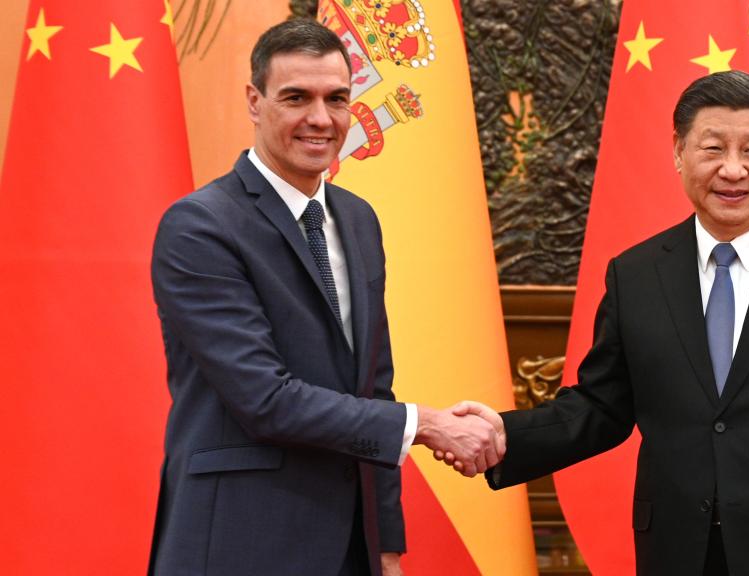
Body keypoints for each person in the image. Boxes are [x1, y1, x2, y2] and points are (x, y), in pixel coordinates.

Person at [450, 71, 749, 575]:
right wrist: (504, 434)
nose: (732, 170)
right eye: (712, 148)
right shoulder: (636, 275)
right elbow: (600, 407)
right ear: (679, 152)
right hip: (679, 554)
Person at [148, 20, 501, 576]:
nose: (321, 118)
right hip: (239, 545)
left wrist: (385, 546)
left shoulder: (358, 220)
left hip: (348, 551)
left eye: (337, 99)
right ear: (254, 101)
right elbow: (265, 399)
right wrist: (427, 424)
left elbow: (373, 387)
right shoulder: (199, 227)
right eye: (296, 98)